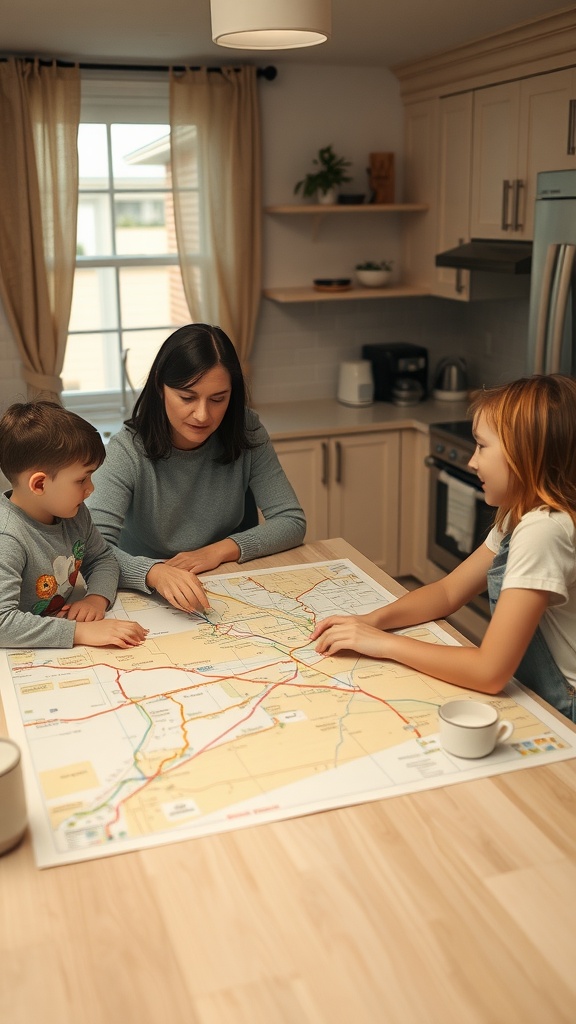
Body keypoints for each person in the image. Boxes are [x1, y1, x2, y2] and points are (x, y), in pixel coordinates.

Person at [311, 374, 576, 722]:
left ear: (525, 454)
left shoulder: (544, 530)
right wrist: (373, 621)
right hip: (538, 696)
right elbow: (449, 591)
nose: (472, 461)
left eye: (482, 446)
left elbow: (489, 672)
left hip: (564, 709)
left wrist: (383, 644)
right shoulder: (522, 512)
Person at [88, 324, 306, 614]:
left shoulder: (247, 429)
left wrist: (217, 551)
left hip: (224, 580)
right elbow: (91, 547)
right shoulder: (127, 449)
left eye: (218, 399)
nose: (203, 415)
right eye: (187, 398)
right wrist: (154, 572)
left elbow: (291, 521)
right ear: (160, 387)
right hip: (144, 590)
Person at [0, 402, 148, 650]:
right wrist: (79, 632)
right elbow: (3, 624)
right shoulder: (7, 536)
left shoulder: (74, 514)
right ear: (39, 485)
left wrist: (96, 598)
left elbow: (102, 559)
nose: (91, 489)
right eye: (81, 479)